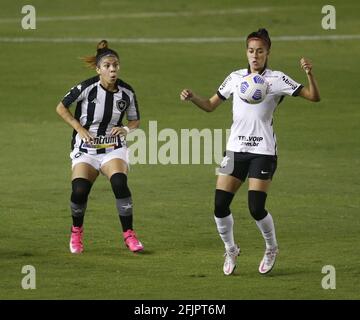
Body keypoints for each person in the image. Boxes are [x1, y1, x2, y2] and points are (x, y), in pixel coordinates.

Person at [180, 28, 320, 275]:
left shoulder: (276, 79)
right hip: (235, 150)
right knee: (219, 205)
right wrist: (193, 97)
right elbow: (211, 105)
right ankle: (231, 249)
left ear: (268, 53)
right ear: (246, 52)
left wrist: (309, 75)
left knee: (256, 208)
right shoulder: (235, 77)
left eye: (260, 51)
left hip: (263, 151)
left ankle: (271, 247)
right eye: (251, 51)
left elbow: (313, 97)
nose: (255, 56)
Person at [56, 40, 144, 254]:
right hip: (86, 149)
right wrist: (79, 128)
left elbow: (135, 121)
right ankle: (76, 231)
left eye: (115, 65)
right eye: (107, 66)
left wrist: (125, 129)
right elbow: (61, 107)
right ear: (98, 69)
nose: (112, 70)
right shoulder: (86, 88)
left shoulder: (127, 92)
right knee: (79, 190)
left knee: (119, 182)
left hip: (113, 148)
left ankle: (129, 235)